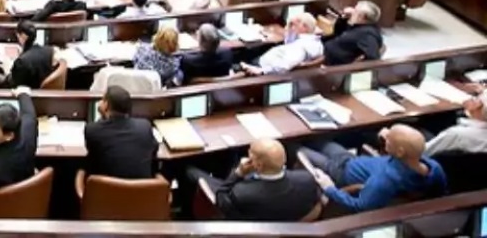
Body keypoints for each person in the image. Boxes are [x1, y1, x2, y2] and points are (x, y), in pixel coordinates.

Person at [301, 124, 446, 212]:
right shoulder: (433, 167)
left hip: (339, 172)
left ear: (400, 152)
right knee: (320, 141)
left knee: (298, 147)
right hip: (351, 159)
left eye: (389, 139)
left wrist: (330, 188)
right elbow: (440, 195)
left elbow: (359, 206)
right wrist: (391, 138)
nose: (386, 136)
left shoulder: (384, 180)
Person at [189, 139, 320, 221]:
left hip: (248, 223)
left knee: (190, 171)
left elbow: (221, 198)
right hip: (287, 224)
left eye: (250, 155)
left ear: (258, 165)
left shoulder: (242, 193)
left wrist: (238, 173)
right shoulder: (307, 180)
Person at [84, 86, 157, 179]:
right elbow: (154, 149)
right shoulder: (144, 127)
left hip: (105, 187)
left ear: (106, 105)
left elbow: (93, 158)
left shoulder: (92, 130)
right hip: (142, 187)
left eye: (102, 100)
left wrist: (102, 116)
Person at [240, 13, 323, 75]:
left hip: (261, 66)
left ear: (305, 27)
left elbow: (284, 66)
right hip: (267, 62)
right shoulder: (314, 41)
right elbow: (288, 43)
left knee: (241, 56)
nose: (293, 27)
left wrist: (261, 71)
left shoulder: (300, 48)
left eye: (296, 24)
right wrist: (290, 27)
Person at [425, 90, 487, 156]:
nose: (471, 98)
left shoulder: (455, 134)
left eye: (476, 97)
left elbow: (422, 152)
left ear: (477, 105)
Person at [322, 0, 383, 65]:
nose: (351, 11)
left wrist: (351, 68)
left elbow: (373, 58)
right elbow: (338, 32)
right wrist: (344, 18)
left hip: (328, 61)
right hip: (326, 47)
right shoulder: (360, 26)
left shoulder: (368, 35)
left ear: (361, 17)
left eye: (355, 10)